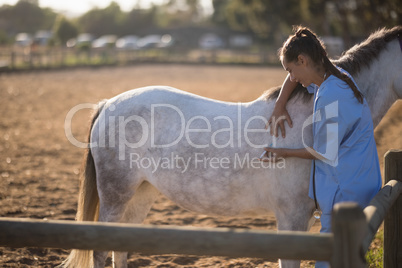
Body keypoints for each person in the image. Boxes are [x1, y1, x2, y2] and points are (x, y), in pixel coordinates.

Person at [261, 26, 382, 267]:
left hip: (346, 193)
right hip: (354, 184)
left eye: (291, 70)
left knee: (329, 261)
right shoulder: (332, 78)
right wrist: (280, 103)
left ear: (303, 60)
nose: (292, 78)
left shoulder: (331, 95)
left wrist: (282, 153)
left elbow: (323, 152)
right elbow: (296, 74)